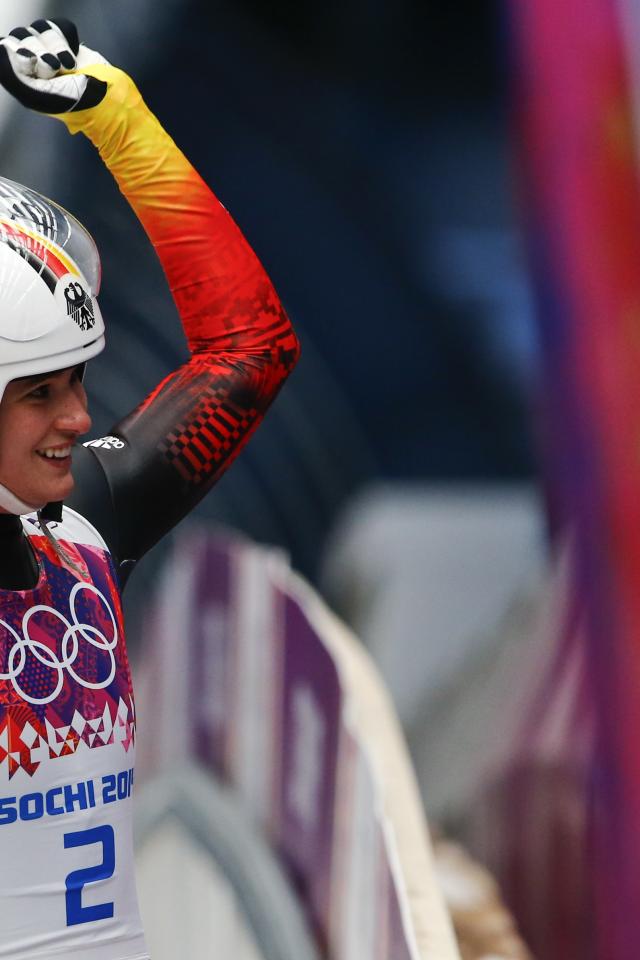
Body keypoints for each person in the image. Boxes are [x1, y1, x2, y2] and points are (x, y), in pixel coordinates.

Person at [0, 18, 299, 959]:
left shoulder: (77, 530)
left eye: (78, 380)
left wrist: (115, 117)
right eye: (39, 393)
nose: (81, 417)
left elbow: (250, 353)